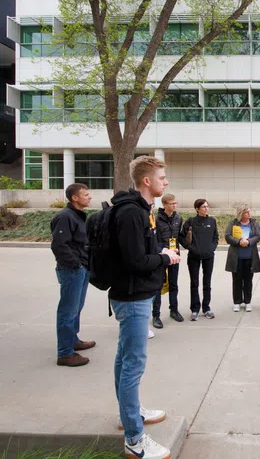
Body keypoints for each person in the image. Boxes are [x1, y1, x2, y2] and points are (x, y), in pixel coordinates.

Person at [108, 156, 181, 459]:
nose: (166, 182)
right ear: (147, 181)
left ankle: (131, 411)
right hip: (132, 297)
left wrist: (159, 251)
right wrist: (165, 258)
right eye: (162, 178)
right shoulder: (131, 213)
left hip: (134, 295)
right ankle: (135, 440)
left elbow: (137, 253)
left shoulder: (140, 210)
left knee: (124, 359)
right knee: (133, 364)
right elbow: (135, 261)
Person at [50, 182, 94, 367]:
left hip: (81, 268)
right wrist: (76, 265)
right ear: (75, 198)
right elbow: (59, 246)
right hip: (72, 270)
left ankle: (73, 340)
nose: (89, 197)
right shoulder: (65, 217)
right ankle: (65, 353)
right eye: (85, 195)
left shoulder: (78, 216)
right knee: (67, 311)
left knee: (76, 308)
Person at [180, 199, 219, 321]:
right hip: (194, 257)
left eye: (207, 206)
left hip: (209, 256)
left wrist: (211, 248)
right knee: (194, 283)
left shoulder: (212, 221)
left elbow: (215, 237)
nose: (206, 208)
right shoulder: (190, 222)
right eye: (203, 207)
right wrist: (191, 248)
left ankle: (206, 308)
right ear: (197, 209)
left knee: (207, 283)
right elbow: (181, 237)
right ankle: (195, 309)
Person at [225, 204, 260, 312]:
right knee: (237, 280)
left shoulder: (254, 223)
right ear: (241, 213)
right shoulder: (233, 223)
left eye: (250, 211)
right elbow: (228, 236)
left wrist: (249, 241)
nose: (249, 214)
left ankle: (247, 302)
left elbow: (258, 236)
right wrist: (239, 241)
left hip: (250, 257)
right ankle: (237, 302)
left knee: (248, 280)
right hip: (236, 257)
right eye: (247, 212)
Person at [154, 194, 184, 326]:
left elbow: (179, 237)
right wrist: (163, 250)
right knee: (158, 286)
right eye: (172, 203)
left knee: (174, 284)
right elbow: (155, 240)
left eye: (175, 203)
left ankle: (174, 310)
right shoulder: (156, 219)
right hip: (161, 256)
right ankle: (156, 315)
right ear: (165, 204)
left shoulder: (178, 218)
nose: (174, 205)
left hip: (174, 255)